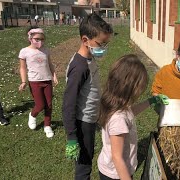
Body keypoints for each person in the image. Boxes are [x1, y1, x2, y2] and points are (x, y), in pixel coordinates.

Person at [97, 54, 169, 180]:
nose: (140, 91)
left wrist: (150, 101)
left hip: (113, 168)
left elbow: (130, 112)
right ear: (130, 88)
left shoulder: (115, 104)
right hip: (116, 173)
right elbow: (117, 157)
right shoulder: (118, 119)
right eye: (140, 88)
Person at [62, 13, 113, 180]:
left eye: (106, 44)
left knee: (87, 156)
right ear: (85, 40)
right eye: (101, 43)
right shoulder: (79, 67)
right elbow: (68, 104)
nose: (103, 48)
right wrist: (71, 136)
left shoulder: (89, 59)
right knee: (84, 163)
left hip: (90, 119)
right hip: (82, 123)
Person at [18, 27, 58, 138]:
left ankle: (47, 125)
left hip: (47, 81)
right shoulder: (24, 51)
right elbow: (22, 68)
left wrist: (54, 75)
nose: (40, 42)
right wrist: (23, 81)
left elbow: (49, 64)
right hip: (35, 82)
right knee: (40, 105)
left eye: (42, 39)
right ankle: (32, 115)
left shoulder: (46, 50)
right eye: (37, 39)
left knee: (49, 105)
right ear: (30, 38)